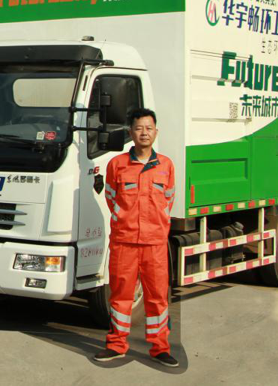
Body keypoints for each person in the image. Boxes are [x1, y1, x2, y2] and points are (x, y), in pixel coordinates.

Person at [93, 108, 179, 367]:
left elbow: (169, 199)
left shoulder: (166, 165)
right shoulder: (117, 164)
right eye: (139, 128)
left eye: (149, 128)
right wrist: (124, 219)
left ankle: (160, 348)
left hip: (155, 244)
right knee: (120, 296)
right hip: (125, 242)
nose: (144, 133)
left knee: (157, 297)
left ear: (156, 132)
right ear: (130, 132)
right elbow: (111, 197)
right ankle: (116, 345)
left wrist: (156, 224)